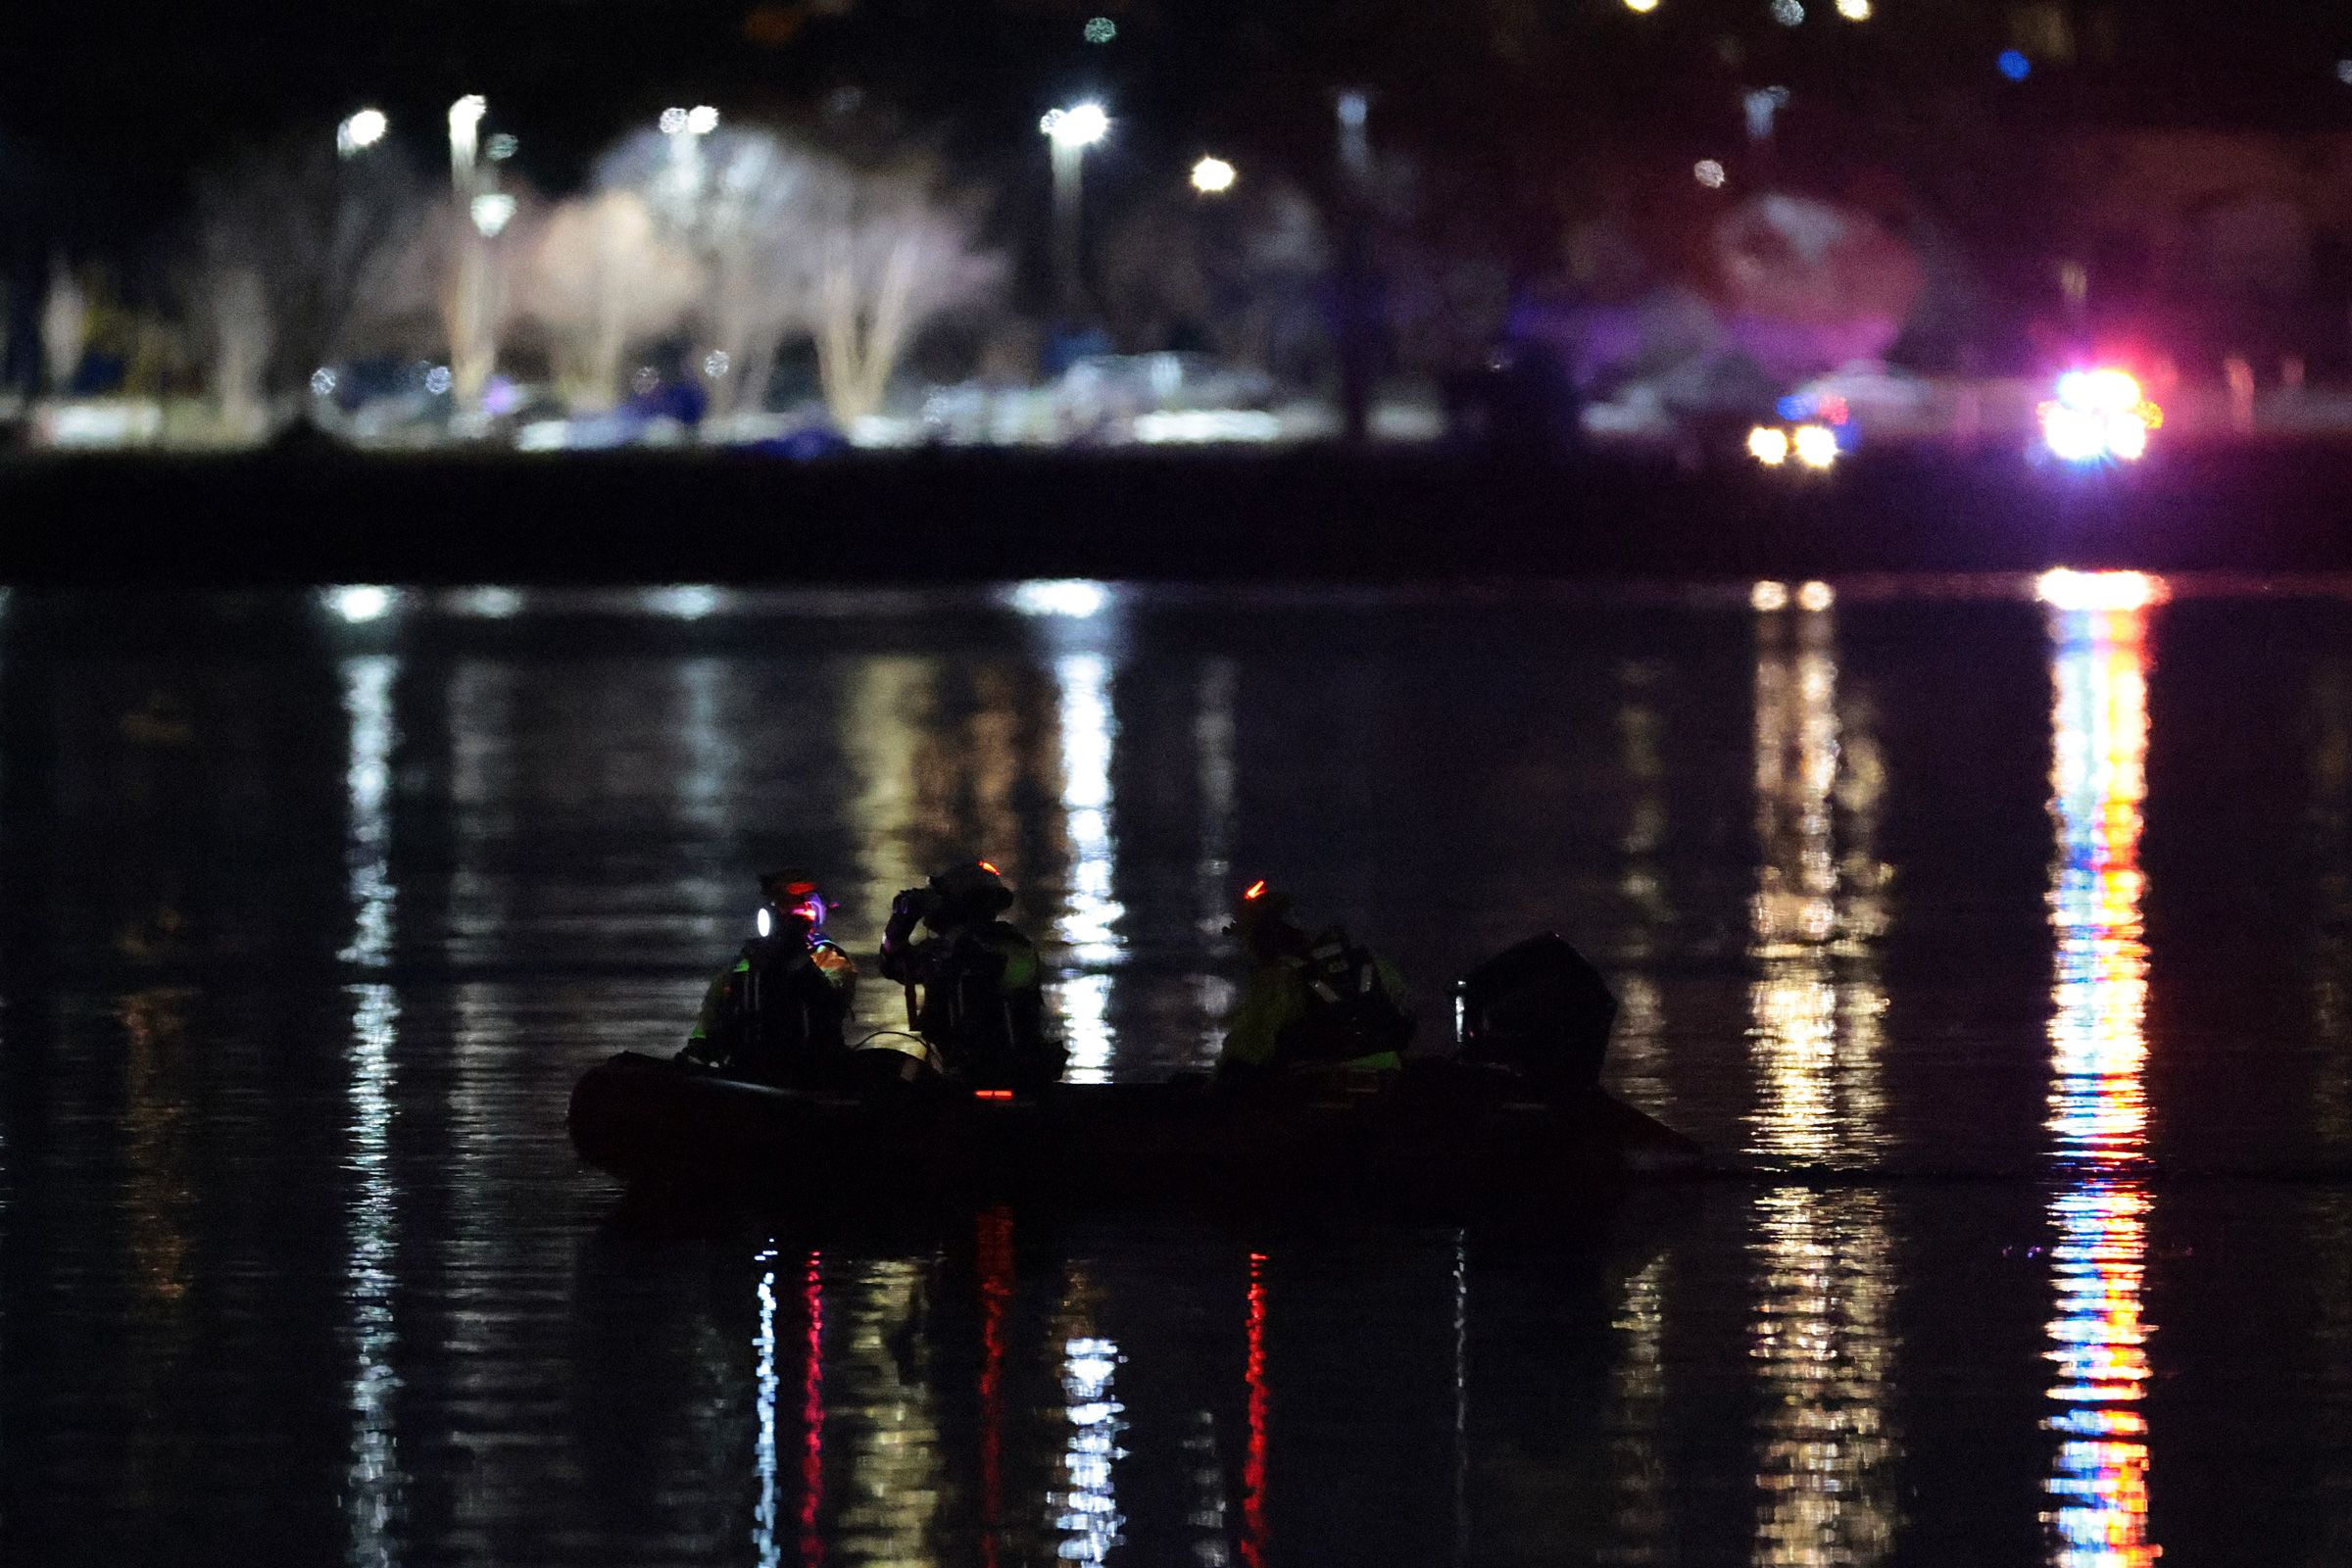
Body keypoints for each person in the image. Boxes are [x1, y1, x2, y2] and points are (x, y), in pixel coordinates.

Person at [880, 860, 1064, 1088]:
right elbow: (892, 965)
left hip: (997, 1072)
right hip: (979, 1070)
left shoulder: (998, 945)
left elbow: (893, 962)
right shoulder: (945, 951)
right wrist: (901, 919)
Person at [1218, 879, 1415, 1079]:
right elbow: (1406, 1011)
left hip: (1318, 1084)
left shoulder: (1281, 977)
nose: (1247, 949)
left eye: (1248, 939)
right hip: (1387, 1078)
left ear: (1265, 937)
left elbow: (1247, 1047)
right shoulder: (1367, 960)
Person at [679, 870, 858, 1086]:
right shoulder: (749, 960)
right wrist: (699, 1046)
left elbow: (831, 1001)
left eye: (792, 906)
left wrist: (794, 958)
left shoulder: (828, 958)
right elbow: (714, 1006)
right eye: (779, 905)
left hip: (809, 1071)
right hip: (747, 1067)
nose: (784, 913)